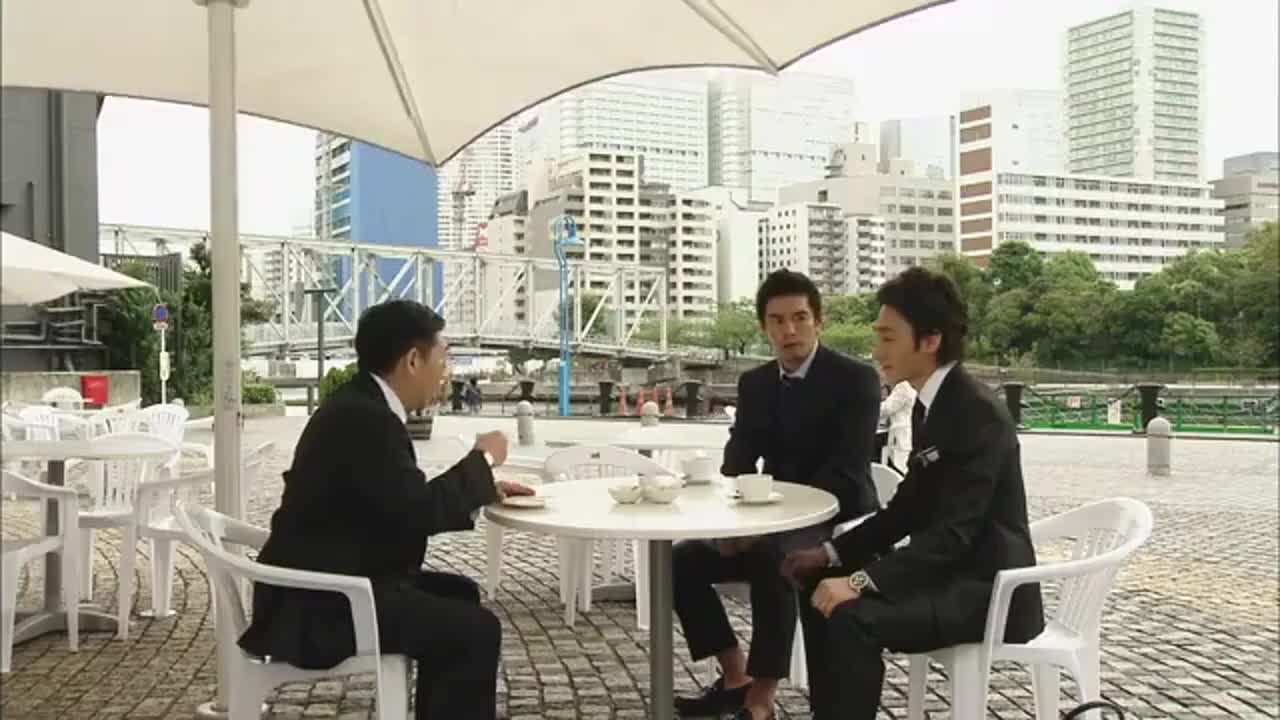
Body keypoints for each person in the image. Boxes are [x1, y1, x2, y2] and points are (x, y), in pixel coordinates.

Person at [238, 299, 534, 720]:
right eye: (443, 358)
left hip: (328, 580)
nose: (446, 372)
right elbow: (417, 513)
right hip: (321, 606)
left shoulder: (361, 405)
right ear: (413, 360)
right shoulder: (367, 419)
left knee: (460, 595)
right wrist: (483, 460)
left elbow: (399, 503)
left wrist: (483, 490)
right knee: (475, 630)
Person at [780, 267, 1045, 720]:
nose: (877, 350)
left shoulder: (975, 413)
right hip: (947, 574)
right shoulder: (932, 404)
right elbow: (906, 510)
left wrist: (858, 582)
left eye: (888, 337)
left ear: (930, 339)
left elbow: (952, 537)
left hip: (987, 589)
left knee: (854, 618)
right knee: (816, 581)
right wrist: (828, 554)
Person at [673, 270, 882, 720]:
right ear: (764, 327)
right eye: (777, 320)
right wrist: (733, 524)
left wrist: (765, 526)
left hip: (838, 522)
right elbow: (738, 458)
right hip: (769, 519)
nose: (790, 330)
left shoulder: (856, 379)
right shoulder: (756, 383)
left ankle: (761, 701)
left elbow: (846, 470)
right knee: (680, 559)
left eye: (800, 318)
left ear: (818, 321)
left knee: (774, 559)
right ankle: (736, 677)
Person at [879, 379, 917, 472]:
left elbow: (888, 408)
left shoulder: (903, 386)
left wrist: (869, 407)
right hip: (901, 435)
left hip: (899, 437)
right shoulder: (909, 385)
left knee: (899, 469)